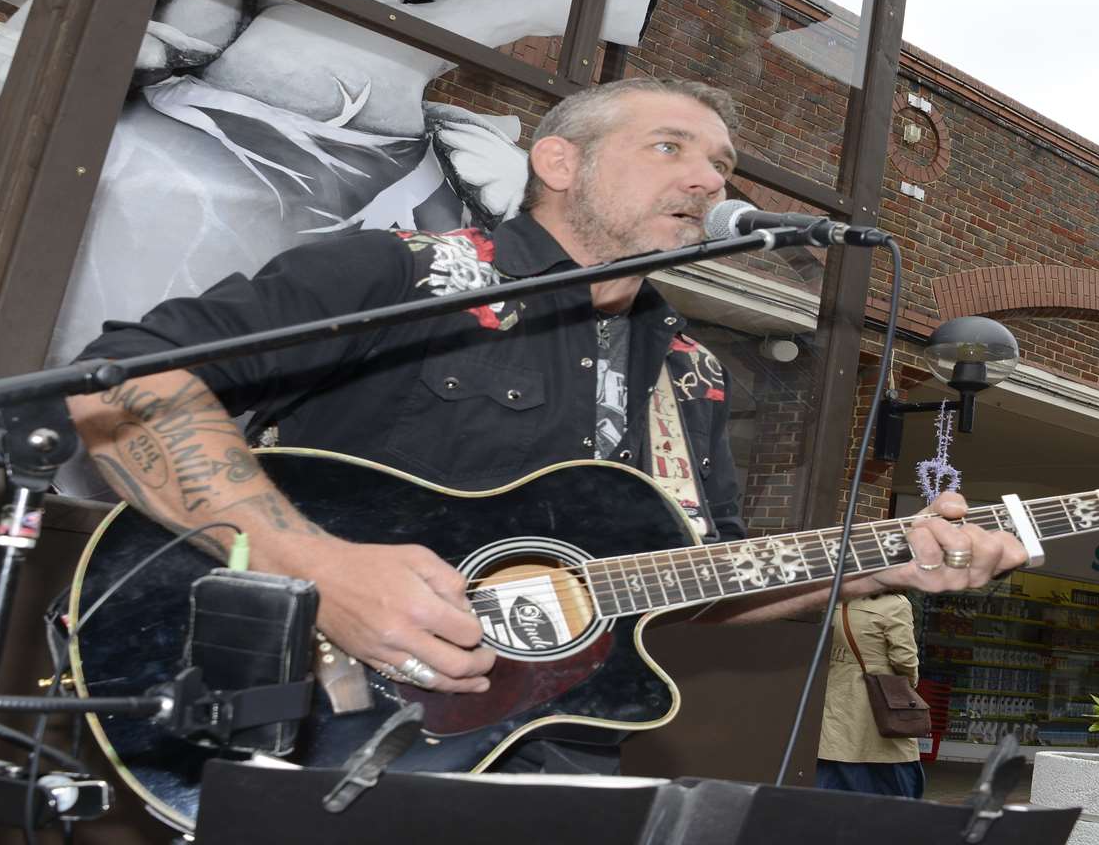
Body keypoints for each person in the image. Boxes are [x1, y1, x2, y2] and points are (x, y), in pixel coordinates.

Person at [65, 76, 1027, 773]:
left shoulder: (688, 374)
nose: (707, 179)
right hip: (314, 720)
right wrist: (317, 568)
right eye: (670, 147)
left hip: (552, 745)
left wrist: (882, 565)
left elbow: (702, 579)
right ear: (558, 160)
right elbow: (124, 385)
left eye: (722, 164)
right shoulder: (407, 276)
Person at [817, 591, 925, 797]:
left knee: (836, 757)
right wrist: (909, 685)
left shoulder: (838, 601)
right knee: (891, 768)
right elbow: (904, 659)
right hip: (881, 698)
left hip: (838, 691)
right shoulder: (895, 604)